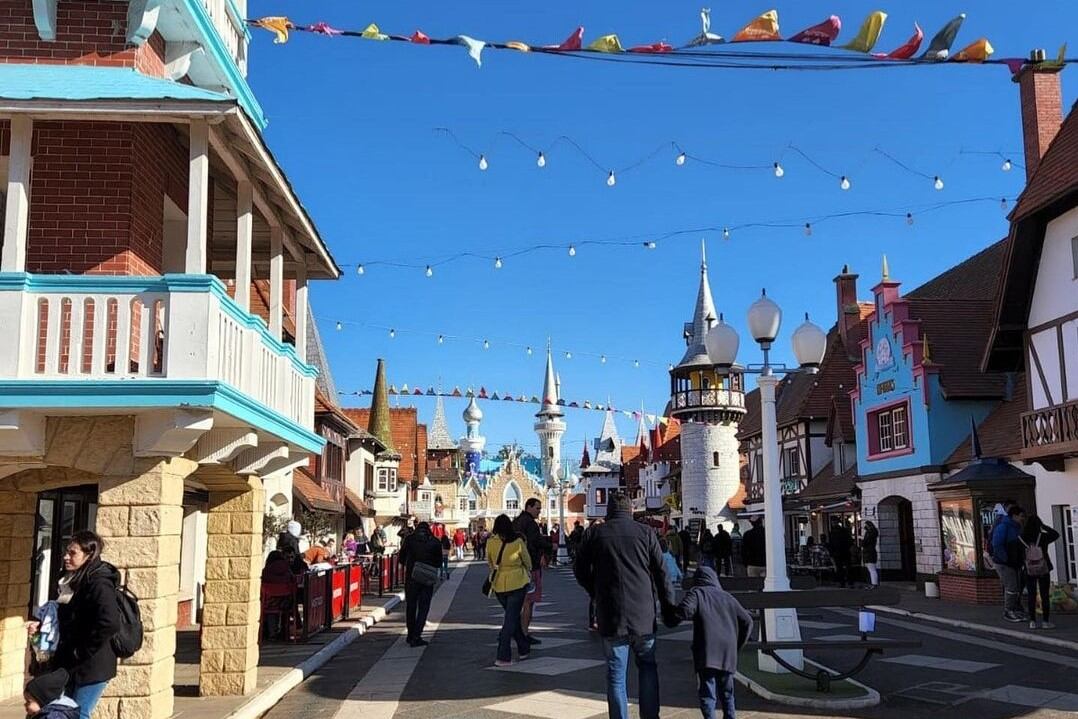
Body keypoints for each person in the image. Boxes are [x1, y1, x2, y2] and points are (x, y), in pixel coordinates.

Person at [574, 490, 676, 719]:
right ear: (630, 509)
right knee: (647, 667)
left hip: (612, 613)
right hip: (643, 614)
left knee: (616, 674)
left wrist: (595, 590)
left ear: (608, 511)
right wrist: (668, 607)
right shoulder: (646, 533)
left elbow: (579, 569)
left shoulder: (595, 534)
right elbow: (662, 574)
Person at [26, 531, 121, 719]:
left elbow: (110, 622)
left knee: (79, 713)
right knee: (63, 710)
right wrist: (41, 625)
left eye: (73, 553)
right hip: (70, 662)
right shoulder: (71, 580)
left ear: (89, 555)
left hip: (92, 665)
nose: (66, 557)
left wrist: (83, 651)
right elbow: (65, 615)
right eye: (66, 551)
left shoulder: (99, 583)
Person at [670, 566, 753, 719]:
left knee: (707, 694)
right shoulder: (728, 597)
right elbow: (747, 621)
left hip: (707, 651)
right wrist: (737, 645)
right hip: (727, 653)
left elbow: (685, 610)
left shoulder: (697, 593)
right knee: (727, 694)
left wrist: (671, 615)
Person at [486, 514, 534, 666]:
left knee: (511, 617)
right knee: (510, 620)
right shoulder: (518, 542)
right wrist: (527, 571)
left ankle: (523, 648)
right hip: (517, 582)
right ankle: (503, 655)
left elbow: (490, 562)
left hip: (499, 584)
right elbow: (528, 561)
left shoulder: (490, 542)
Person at [513, 497, 551, 645]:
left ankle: (514, 630)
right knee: (528, 601)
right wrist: (549, 546)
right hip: (531, 566)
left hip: (516, 567)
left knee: (518, 602)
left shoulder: (516, 522)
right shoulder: (530, 524)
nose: (539, 511)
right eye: (537, 508)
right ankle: (524, 633)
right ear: (529, 507)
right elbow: (536, 541)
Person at [398, 522, 442, 646]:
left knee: (411, 607)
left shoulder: (410, 540)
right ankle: (417, 635)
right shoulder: (435, 542)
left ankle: (410, 634)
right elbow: (439, 562)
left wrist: (411, 564)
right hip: (427, 579)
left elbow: (402, 558)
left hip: (412, 577)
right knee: (424, 607)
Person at [1020, 514, 1060, 630]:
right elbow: (1056, 534)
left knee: (1031, 595)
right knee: (1044, 595)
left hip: (1029, 569)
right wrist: (1044, 526)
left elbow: (1018, 553)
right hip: (1043, 568)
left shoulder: (1022, 538)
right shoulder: (1042, 536)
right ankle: (1045, 621)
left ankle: (1032, 621)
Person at [991, 504, 1027, 623]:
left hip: (1015, 562)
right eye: (1021, 516)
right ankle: (1008, 611)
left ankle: (1015, 609)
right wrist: (1006, 559)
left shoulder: (1016, 527)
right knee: (1011, 587)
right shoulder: (1004, 527)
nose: (1023, 518)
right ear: (1014, 516)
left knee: (1017, 587)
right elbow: (997, 544)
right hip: (1004, 563)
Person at [828, 520, 853, 588]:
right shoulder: (844, 531)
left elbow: (831, 544)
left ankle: (842, 583)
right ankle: (850, 582)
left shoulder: (832, 532)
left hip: (838, 553)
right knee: (848, 567)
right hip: (845, 552)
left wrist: (832, 552)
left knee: (840, 568)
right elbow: (850, 541)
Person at [861, 522, 879, 588]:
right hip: (872, 552)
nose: (864, 527)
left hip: (868, 553)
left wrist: (862, 542)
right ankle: (874, 583)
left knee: (871, 569)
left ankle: (874, 584)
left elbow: (865, 542)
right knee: (872, 569)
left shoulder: (869, 533)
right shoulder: (874, 533)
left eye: (866, 525)